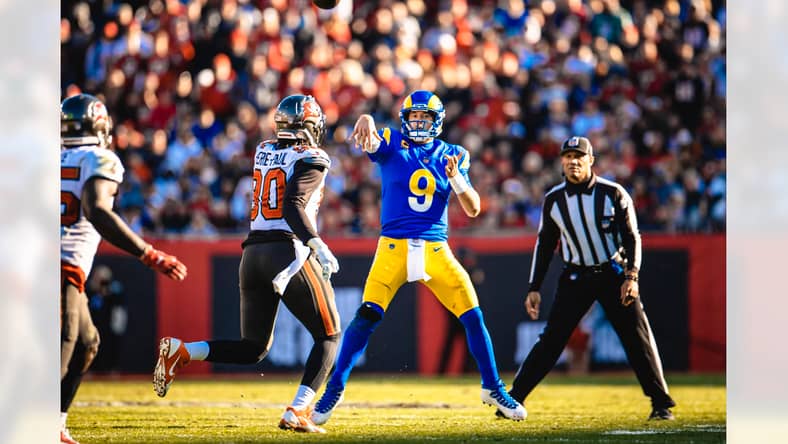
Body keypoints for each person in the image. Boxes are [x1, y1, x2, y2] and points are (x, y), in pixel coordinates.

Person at [311, 90, 526, 426]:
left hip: (435, 249)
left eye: (425, 117)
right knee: (366, 316)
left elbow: (473, 208)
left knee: (472, 315)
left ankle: (492, 387)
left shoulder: (453, 154)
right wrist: (366, 118)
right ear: (405, 119)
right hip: (393, 248)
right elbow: (370, 140)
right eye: (414, 117)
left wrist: (455, 178)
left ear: (436, 121)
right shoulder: (393, 143)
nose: (419, 122)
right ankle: (334, 388)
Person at [153, 94, 341, 434]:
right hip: (286, 249)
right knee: (330, 336)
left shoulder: (264, 150)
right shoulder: (313, 156)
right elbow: (293, 206)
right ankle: (298, 411)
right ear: (310, 126)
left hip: (252, 253)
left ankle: (184, 351)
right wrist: (317, 243)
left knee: (253, 348)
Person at [504, 136, 676, 420]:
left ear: (591, 160)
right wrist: (534, 287)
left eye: (579, 156)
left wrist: (632, 276)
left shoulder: (614, 193)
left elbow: (633, 237)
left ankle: (661, 403)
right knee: (551, 340)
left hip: (613, 273)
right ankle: (513, 399)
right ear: (561, 161)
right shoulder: (554, 199)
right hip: (575, 276)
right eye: (568, 156)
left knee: (636, 336)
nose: (573, 162)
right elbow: (545, 245)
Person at [60, 93, 188, 444]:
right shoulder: (99, 158)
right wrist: (147, 253)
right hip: (60, 268)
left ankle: (55, 422)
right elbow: (97, 209)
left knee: (87, 342)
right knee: (63, 346)